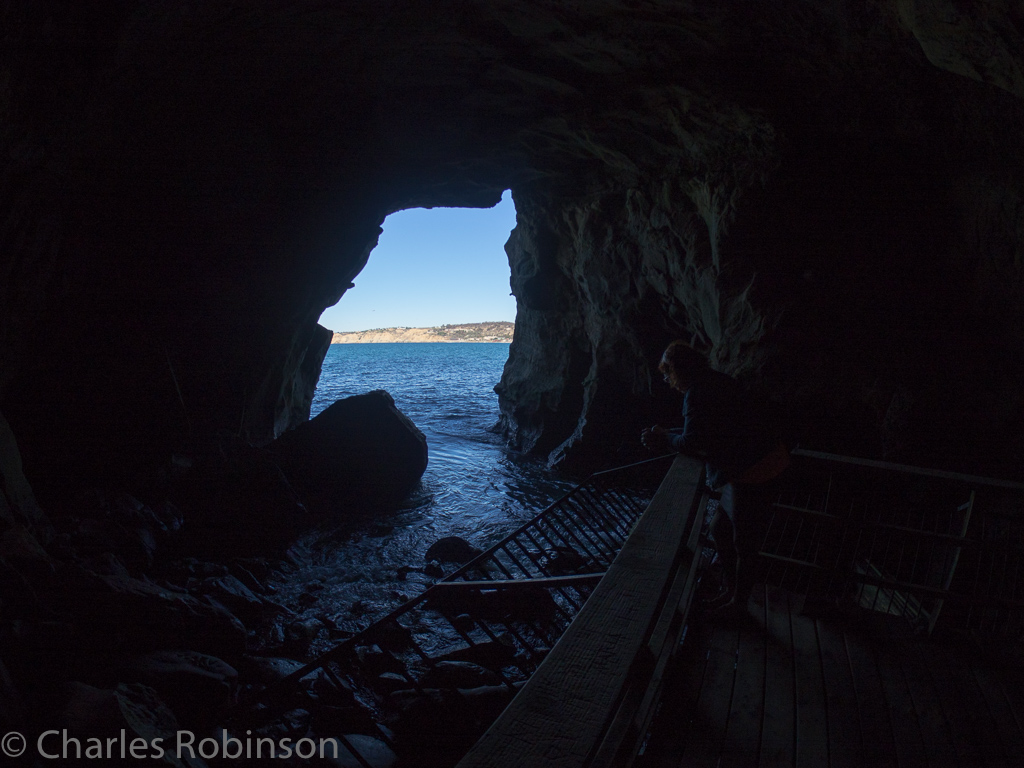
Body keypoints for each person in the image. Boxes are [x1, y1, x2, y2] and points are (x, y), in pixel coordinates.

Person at [642, 340, 790, 616]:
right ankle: (731, 591)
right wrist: (670, 434)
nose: (667, 380)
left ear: (679, 370)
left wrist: (665, 438)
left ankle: (738, 606)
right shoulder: (714, 381)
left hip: (755, 470)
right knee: (720, 529)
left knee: (744, 543)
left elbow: (693, 440)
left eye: (667, 373)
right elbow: (704, 430)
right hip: (762, 461)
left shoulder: (696, 393)